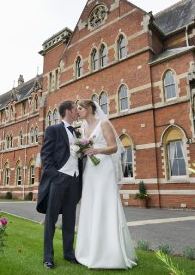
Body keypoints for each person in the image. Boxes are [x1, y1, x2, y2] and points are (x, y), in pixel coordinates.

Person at [74, 99, 137, 269]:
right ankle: (89, 251)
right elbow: (84, 147)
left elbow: (114, 147)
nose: (77, 111)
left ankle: (111, 253)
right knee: (91, 205)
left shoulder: (104, 123)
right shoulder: (83, 128)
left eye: (80, 108)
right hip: (91, 170)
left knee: (105, 204)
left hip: (104, 168)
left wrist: (96, 150)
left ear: (89, 108)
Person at [36, 100, 83, 269]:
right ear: (68, 111)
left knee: (70, 219)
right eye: (75, 109)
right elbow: (46, 156)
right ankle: (48, 257)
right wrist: (56, 176)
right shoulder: (53, 130)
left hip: (74, 180)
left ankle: (69, 253)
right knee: (51, 219)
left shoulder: (77, 134)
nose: (78, 112)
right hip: (59, 179)